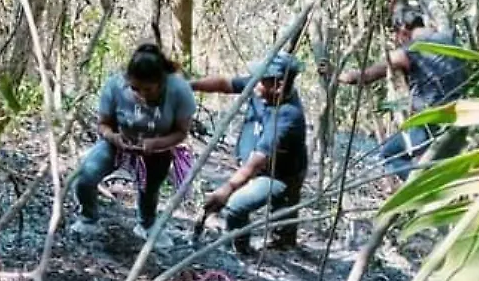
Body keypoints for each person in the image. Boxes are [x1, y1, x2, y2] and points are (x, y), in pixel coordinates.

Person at [327, 2, 469, 180]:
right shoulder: (450, 41)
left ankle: (420, 186)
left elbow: (364, 76)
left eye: (395, 33)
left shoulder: (411, 50)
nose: (396, 39)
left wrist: (334, 73)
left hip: (430, 124)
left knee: (390, 154)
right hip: (461, 119)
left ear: (403, 29)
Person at [70, 43, 196, 239]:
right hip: (119, 144)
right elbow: (103, 125)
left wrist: (157, 144)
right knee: (85, 177)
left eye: (148, 89)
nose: (141, 95)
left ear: (161, 82)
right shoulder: (115, 86)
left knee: (149, 191)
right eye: (135, 89)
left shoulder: (179, 90)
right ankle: (88, 218)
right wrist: (114, 137)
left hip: (157, 149)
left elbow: (181, 133)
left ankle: (146, 224)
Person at [190, 54, 310, 254]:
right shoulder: (261, 87)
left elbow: (256, 163)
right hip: (258, 166)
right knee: (278, 218)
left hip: (277, 175)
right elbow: (224, 83)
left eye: (261, 81)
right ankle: (248, 244)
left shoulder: (287, 117)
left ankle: (242, 251)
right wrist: (189, 85)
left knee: (237, 205)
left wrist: (227, 189)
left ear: (278, 85)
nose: (254, 85)